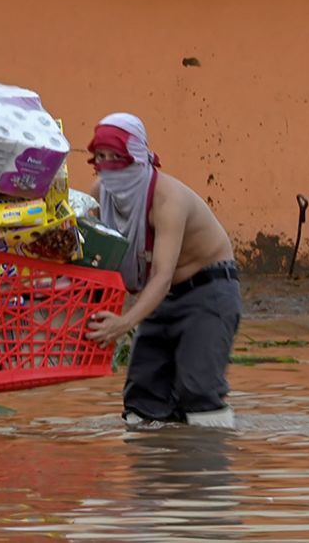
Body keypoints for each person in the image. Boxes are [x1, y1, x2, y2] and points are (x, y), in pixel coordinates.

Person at [85, 113, 241, 428]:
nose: (108, 165)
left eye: (117, 157)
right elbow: (91, 256)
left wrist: (124, 323)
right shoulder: (100, 194)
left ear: (138, 157)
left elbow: (162, 274)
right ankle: (151, 473)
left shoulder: (168, 199)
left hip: (208, 291)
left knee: (198, 392)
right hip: (160, 297)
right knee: (142, 397)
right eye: (100, 157)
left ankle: (210, 464)